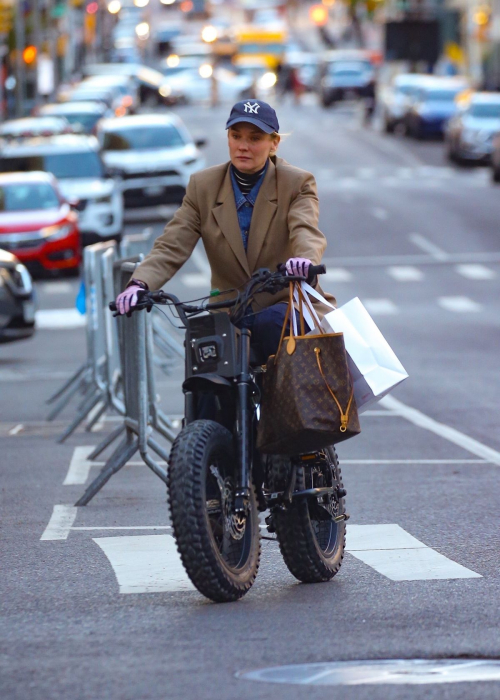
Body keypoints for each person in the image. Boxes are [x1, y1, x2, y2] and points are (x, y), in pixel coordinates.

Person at [115, 99, 335, 367]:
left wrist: (305, 261)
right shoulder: (203, 185)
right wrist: (140, 283)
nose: (243, 146)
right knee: (203, 363)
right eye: (236, 136)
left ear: (274, 143)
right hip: (229, 310)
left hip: (285, 305)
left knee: (271, 325)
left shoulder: (296, 183)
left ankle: (276, 405)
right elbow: (172, 243)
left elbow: (306, 229)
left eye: (255, 138)